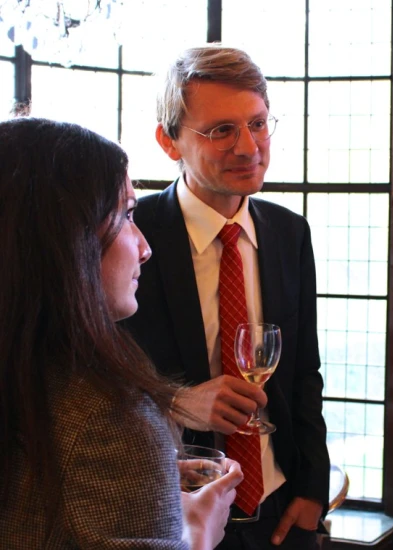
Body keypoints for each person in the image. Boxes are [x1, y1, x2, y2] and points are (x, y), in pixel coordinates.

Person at [0, 117, 243, 549]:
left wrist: (152, 476)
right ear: (66, 239)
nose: (144, 247)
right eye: (127, 215)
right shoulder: (108, 416)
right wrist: (197, 533)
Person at [122, 45, 330, 549]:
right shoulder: (129, 234)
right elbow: (84, 374)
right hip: (171, 507)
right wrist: (177, 401)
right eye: (221, 131)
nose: (248, 146)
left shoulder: (289, 232)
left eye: (258, 124)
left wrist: (311, 491)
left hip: (279, 507)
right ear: (169, 142)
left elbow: (304, 372)